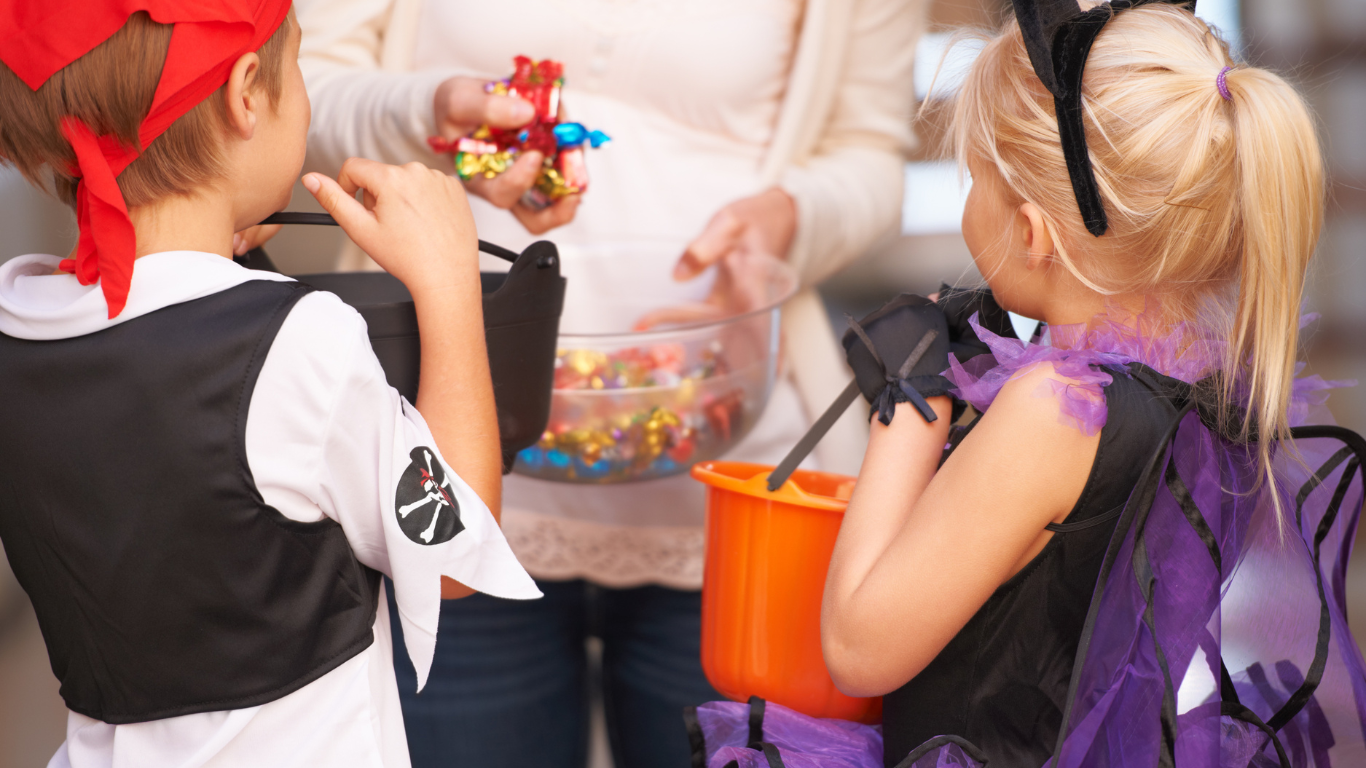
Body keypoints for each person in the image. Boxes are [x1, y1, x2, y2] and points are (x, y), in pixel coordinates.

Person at [293, 1, 924, 766]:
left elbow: (872, 157)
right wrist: (428, 110)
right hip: (447, 474)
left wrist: (790, 219)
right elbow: (299, 90)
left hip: (728, 496)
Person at [804, 1, 1366, 766]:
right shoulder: (1200, 383)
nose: (969, 205)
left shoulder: (1056, 410)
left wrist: (910, 399)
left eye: (975, 181)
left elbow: (858, 646)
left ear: (1033, 234)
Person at [0, 3, 538, 767]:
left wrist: (213, 253)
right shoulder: (293, 341)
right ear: (246, 93)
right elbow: (450, 557)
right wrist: (448, 285)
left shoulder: (16, 326)